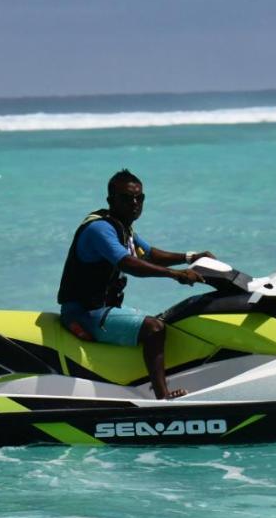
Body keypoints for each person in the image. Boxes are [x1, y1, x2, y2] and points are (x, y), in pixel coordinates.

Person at [57, 169, 215, 399]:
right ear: (111, 200)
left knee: (170, 320)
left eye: (139, 198)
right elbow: (129, 263)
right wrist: (177, 275)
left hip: (103, 308)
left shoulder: (123, 227)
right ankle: (163, 396)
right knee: (154, 328)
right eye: (127, 198)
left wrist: (191, 257)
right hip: (85, 314)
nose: (135, 203)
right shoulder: (100, 229)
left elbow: (149, 254)